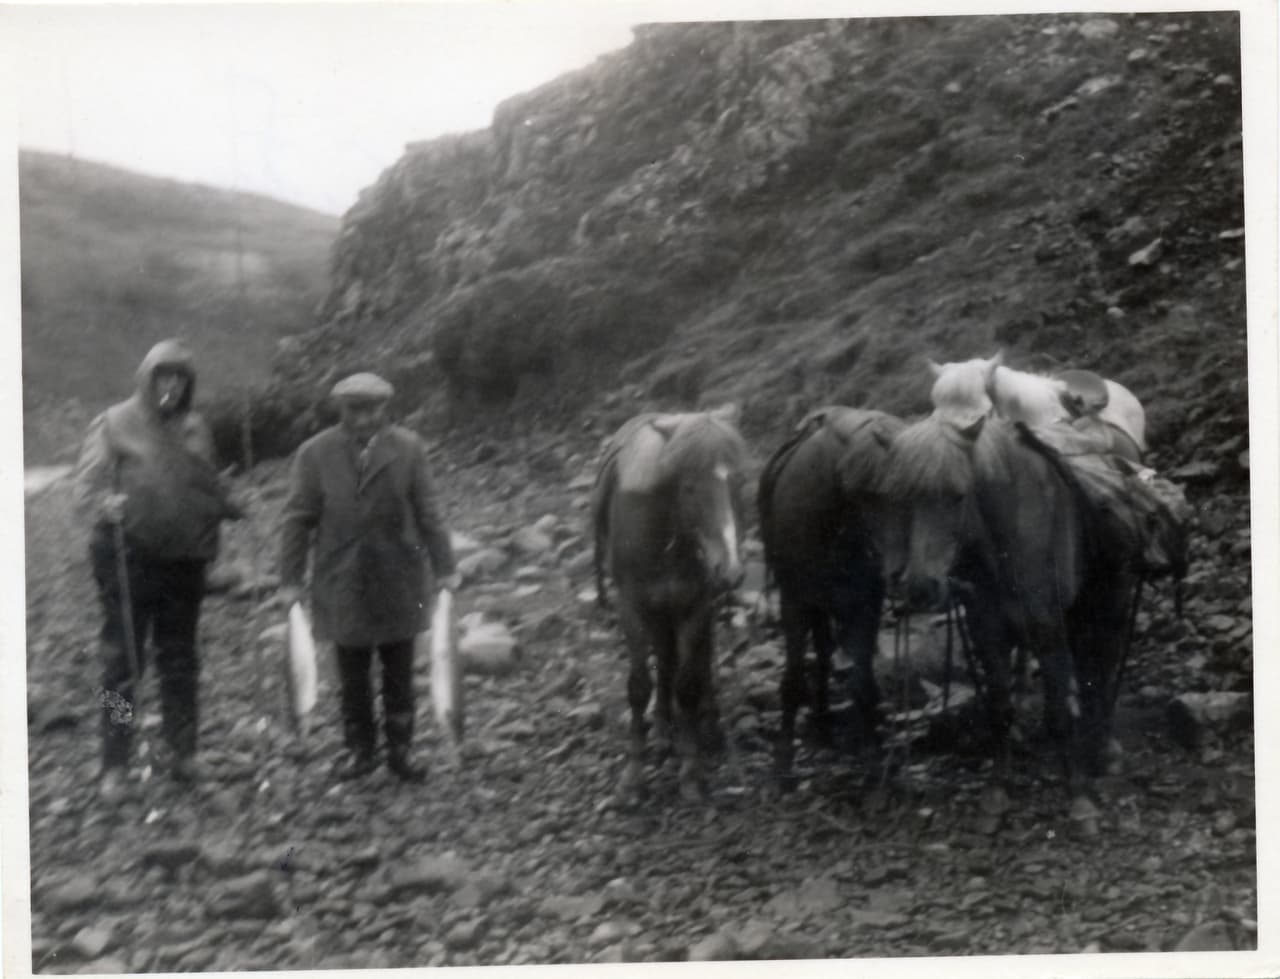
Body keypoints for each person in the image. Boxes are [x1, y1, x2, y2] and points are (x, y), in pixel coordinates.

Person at [73, 339, 246, 802]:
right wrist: (100, 504)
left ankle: (182, 753)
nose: (171, 385)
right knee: (121, 664)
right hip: (127, 561)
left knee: (181, 660)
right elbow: (85, 488)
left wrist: (229, 503)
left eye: (180, 378)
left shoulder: (196, 428)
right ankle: (115, 764)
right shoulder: (112, 423)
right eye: (163, 376)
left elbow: (206, 484)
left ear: (188, 385)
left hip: (186, 562)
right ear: (146, 379)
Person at [279, 372, 459, 783]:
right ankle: (360, 750)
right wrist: (288, 580)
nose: (363, 418)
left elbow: (430, 513)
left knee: (399, 666)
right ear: (340, 410)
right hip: (341, 577)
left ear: (386, 408)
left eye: (372, 409)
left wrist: (446, 568)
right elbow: (296, 520)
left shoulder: (410, 449)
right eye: (354, 410)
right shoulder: (314, 454)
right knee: (352, 670)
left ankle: (401, 749)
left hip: (399, 574)